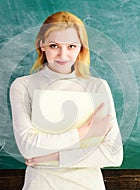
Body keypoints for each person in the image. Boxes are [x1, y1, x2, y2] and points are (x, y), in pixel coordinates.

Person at [9, 11, 123, 190]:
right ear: (42, 45)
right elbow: (28, 147)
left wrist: (50, 157)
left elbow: (113, 154)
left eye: (71, 46)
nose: (63, 55)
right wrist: (82, 133)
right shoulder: (23, 86)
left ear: (81, 48)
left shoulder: (97, 86)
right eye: (54, 46)